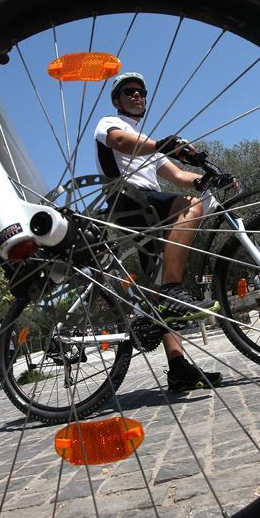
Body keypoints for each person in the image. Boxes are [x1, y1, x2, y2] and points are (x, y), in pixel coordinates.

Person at [95, 72, 223, 392]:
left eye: (141, 92)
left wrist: (209, 178)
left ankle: (178, 368)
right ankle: (172, 289)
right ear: (117, 100)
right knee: (190, 206)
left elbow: (178, 176)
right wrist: (162, 144)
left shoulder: (147, 143)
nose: (137, 96)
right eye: (129, 91)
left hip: (149, 208)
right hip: (127, 200)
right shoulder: (110, 123)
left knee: (160, 289)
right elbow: (119, 142)